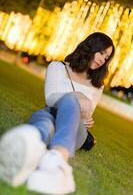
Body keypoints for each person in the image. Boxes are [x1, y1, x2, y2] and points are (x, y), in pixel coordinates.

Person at [0, 32, 115, 195]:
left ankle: (57, 161)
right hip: (50, 113)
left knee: (68, 102)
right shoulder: (57, 67)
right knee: (45, 123)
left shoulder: (97, 85)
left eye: (107, 57)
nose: (103, 59)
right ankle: (27, 149)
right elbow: (51, 98)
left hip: (76, 129)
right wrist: (77, 95)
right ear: (91, 46)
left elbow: (86, 113)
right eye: (102, 53)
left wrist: (83, 111)